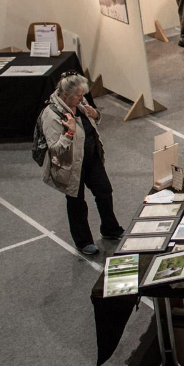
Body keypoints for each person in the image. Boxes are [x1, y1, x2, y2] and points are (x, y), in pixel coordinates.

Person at [39, 73, 123, 255]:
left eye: (83, 94)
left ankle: (110, 229)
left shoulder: (80, 103)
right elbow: (54, 149)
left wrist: (96, 115)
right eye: (78, 95)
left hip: (91, 159)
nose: (82, 98)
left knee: (104, 191)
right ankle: (83, 241)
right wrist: (69, 133)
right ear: (64, 95)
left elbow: (90, 127)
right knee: (77, 203)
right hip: (70, 166)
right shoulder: (51, 115)